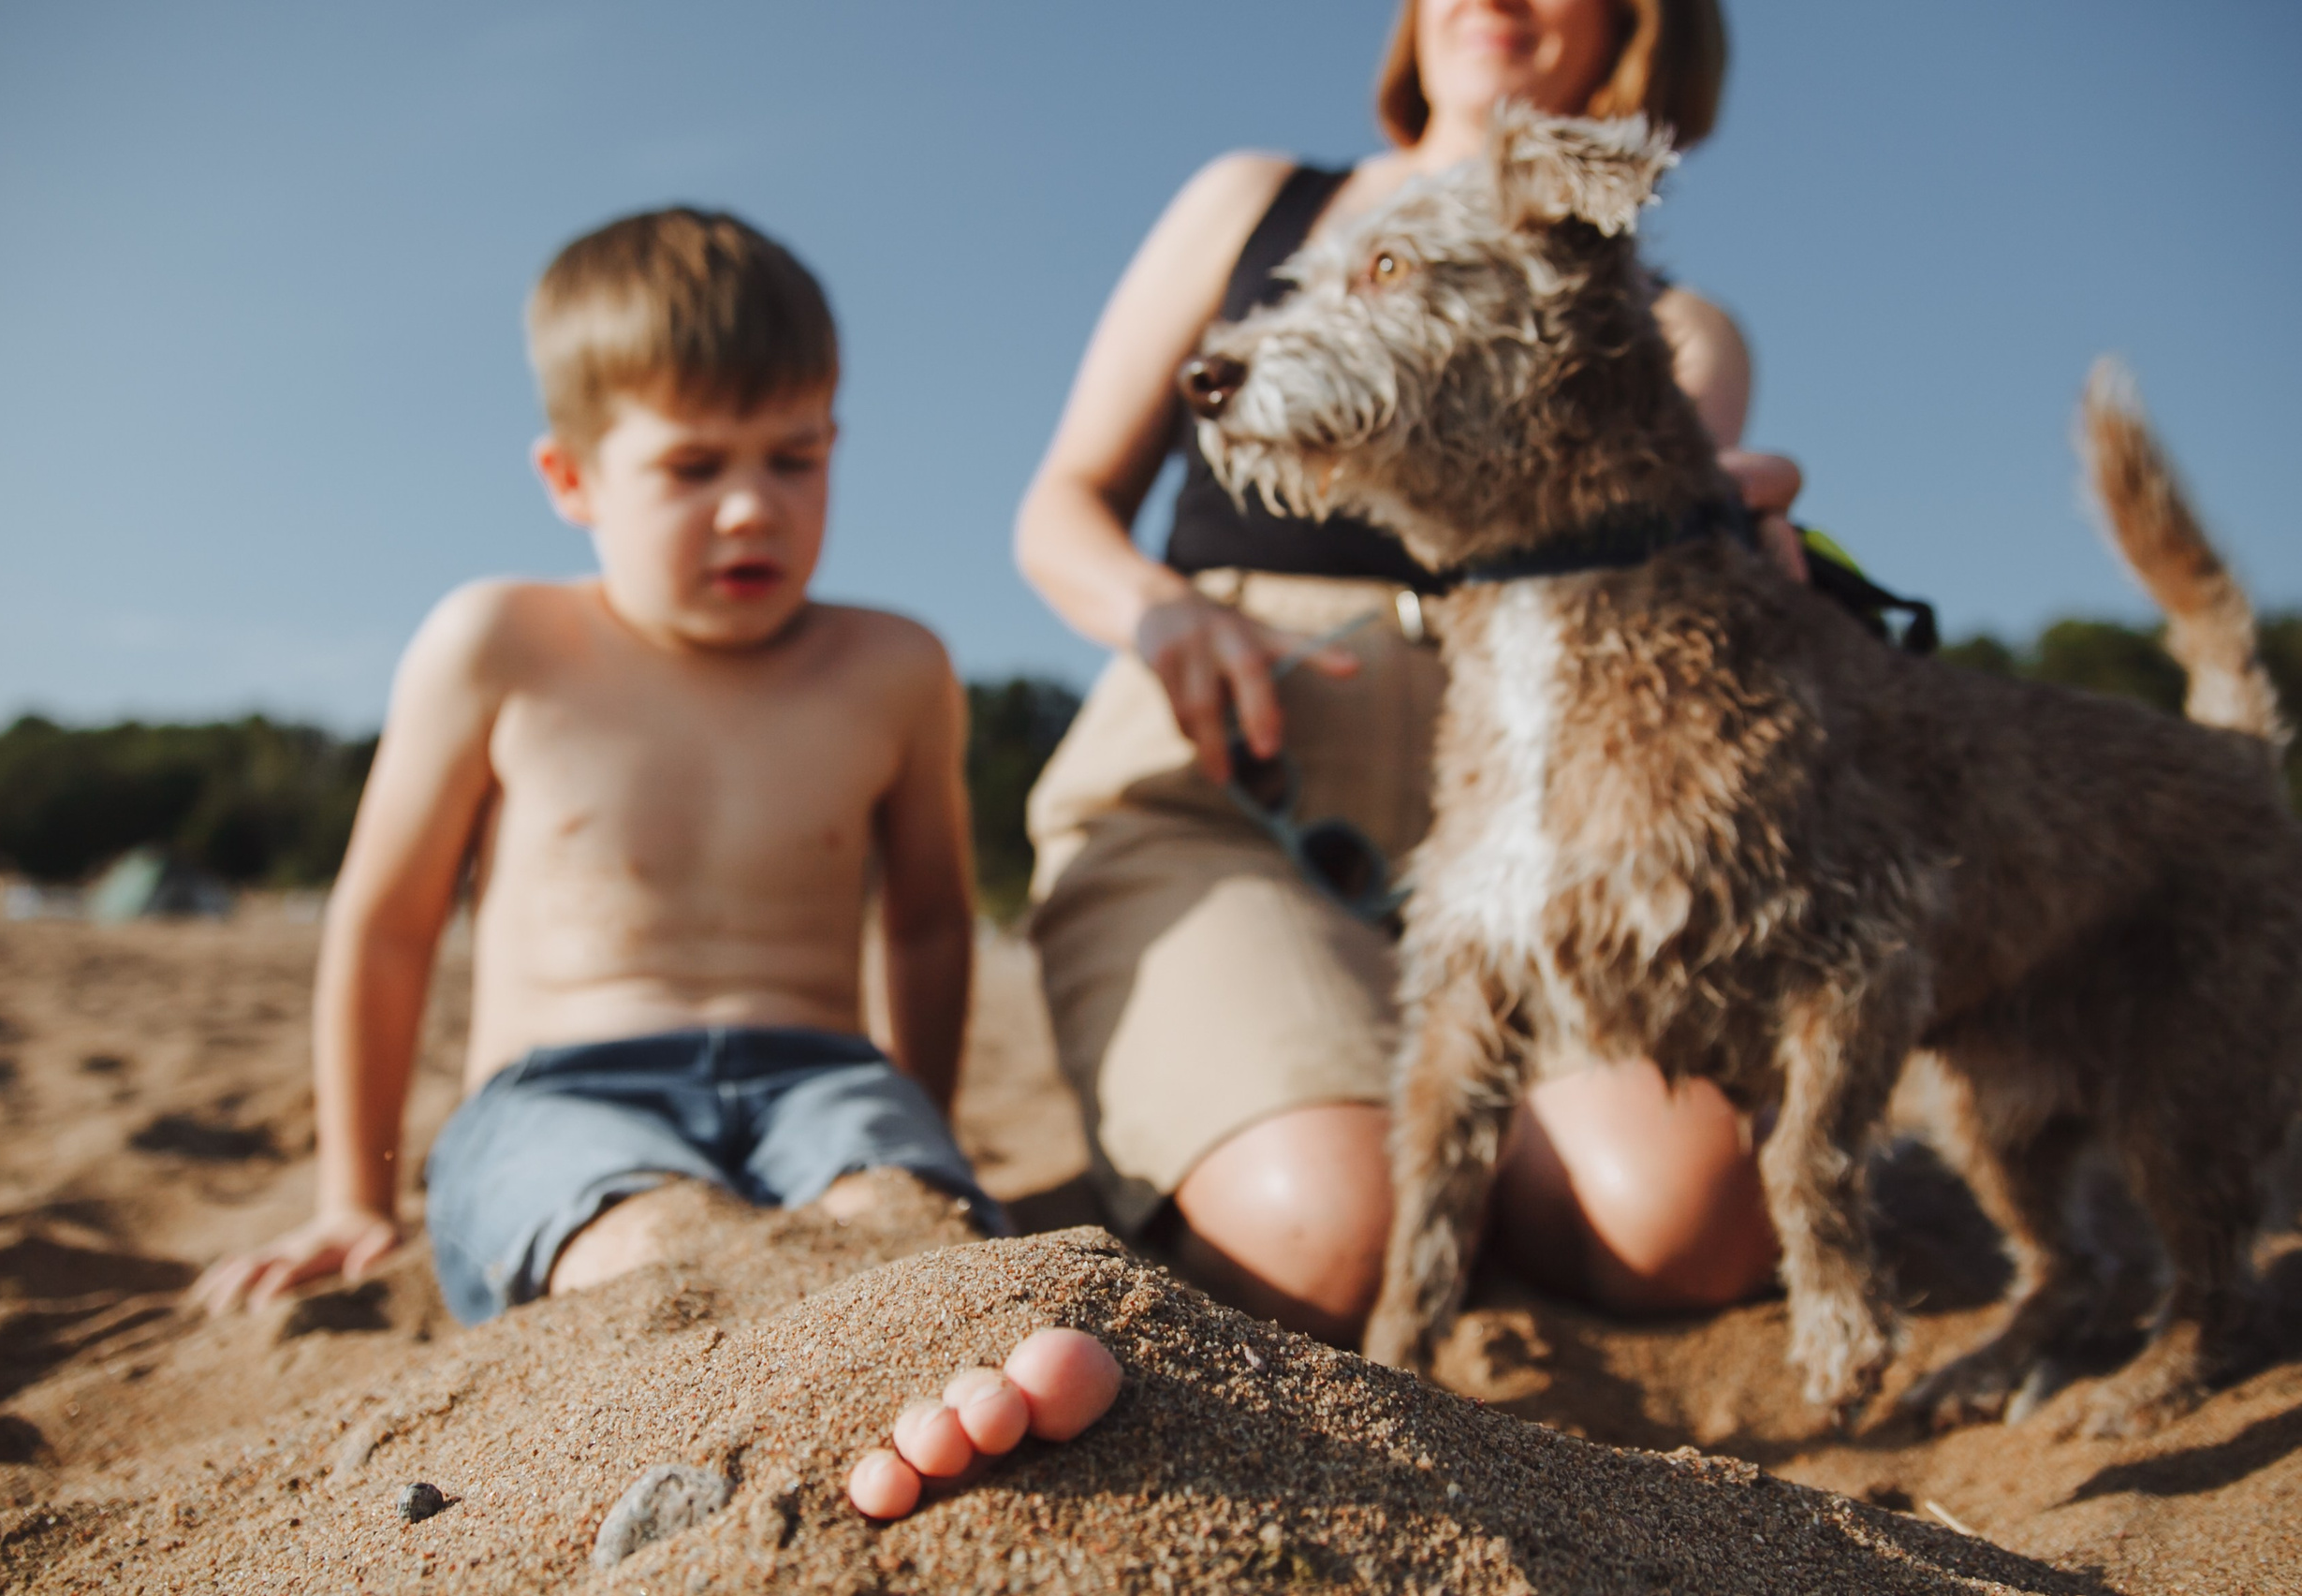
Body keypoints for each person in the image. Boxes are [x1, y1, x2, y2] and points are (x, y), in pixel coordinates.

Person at [191, 207, 1119, 1513]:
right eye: (693, 468)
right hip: (558, 1092)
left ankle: (954, 1393)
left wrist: (927, 1118)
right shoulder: (499, 644)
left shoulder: (896, 668)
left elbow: (924, 923)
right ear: (571, 478)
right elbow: (386, 922)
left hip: (820, 1072)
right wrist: (355, 1192)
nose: (755, 504)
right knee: (658, 1240)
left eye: (796, 458)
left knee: (899, 1214)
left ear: (836, 445)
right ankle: (783, 1445)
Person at [1015, 0, 1792, 1347]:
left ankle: (1440, 1150)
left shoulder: (1687, 330)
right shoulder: (1254, 201)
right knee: (1335, 1231)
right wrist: (1156, 611)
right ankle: (1332, 1133)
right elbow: (1062, 505)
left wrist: (1725, 551)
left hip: (1526, 843)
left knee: (1685, 1223)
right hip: (1226, 805)